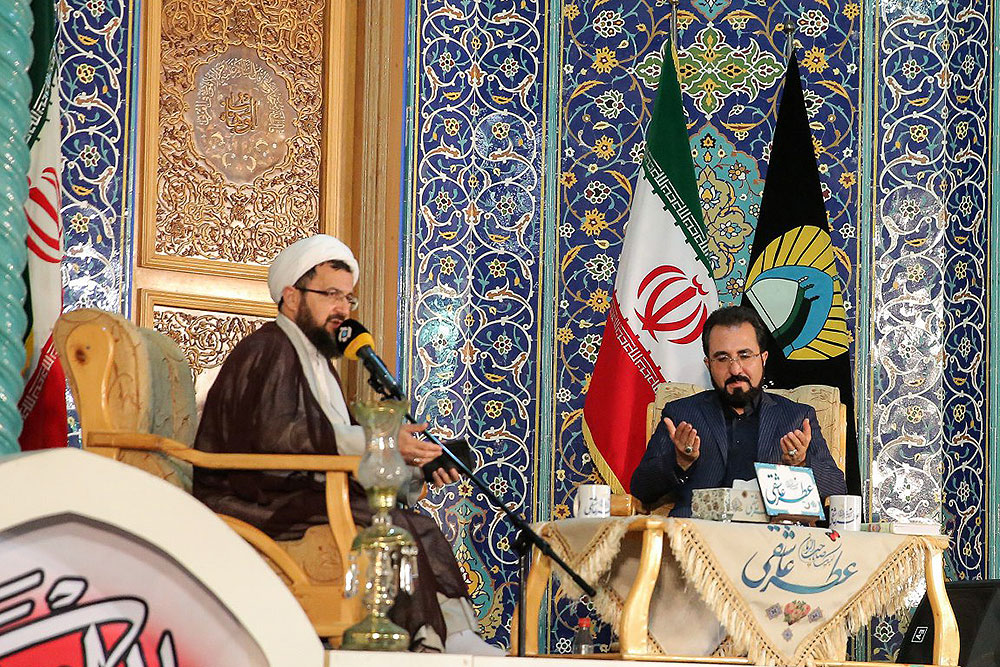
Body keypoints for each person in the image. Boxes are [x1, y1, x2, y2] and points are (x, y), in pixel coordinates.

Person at [194, 234, 501, 655]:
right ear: (291, 296)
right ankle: (427, 640)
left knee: (418, 523)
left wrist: (414, 469)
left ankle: (456, 636)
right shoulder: (269, 349)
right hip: (253, 498)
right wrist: (385, 441)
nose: (342, 309)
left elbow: (330, 444)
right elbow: (282, 437)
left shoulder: (318, 360)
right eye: (330, 295)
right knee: (392, 526)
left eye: (348, 298)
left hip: (296, 491)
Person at [630, 305, 847, 516]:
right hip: (697, 533)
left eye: (745, 355)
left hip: (770, 534)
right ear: (708, 364)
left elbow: (837, 488)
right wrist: (679, 461)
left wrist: (801, 463)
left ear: (763, 359)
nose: (735, 369)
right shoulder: (681, 414)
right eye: (722, 358)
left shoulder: (797, 417)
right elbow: (641, 489)